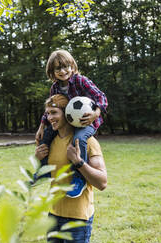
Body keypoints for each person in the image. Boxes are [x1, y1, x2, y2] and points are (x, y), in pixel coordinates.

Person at [35, 94, 107, 243]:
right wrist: (39, 160)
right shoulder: (49, 142)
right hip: (53, 215)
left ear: (68, 113)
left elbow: (102, 182)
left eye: (54, 113)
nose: (49, 118)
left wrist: (78, 162)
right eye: (47, 113)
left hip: (77, 218)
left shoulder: (87, 142)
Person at [35, 49, 108, 198]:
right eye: (58, 68)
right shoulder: (55, 87)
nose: (63, 71)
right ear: (52, 71)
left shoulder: (81, 80)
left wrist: (96, 113)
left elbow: (101, 97)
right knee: (46, 136)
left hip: (85, 123)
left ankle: (78, 179)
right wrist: (42, 126)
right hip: (67, 122)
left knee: (79, 139)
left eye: (65, 66)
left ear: (72, 65)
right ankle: (45, 170)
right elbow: (51, 108)